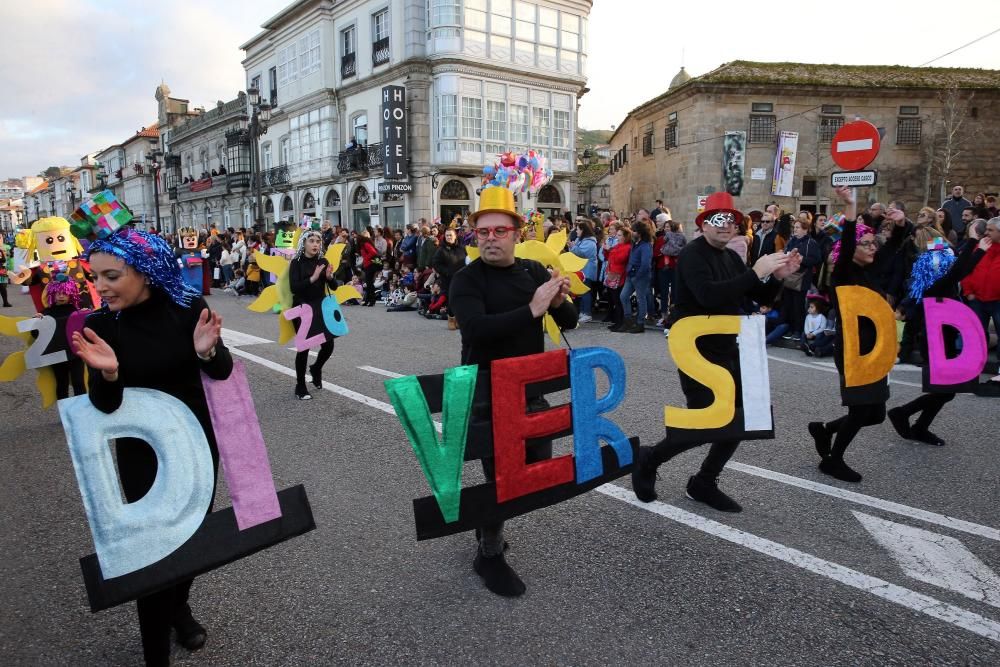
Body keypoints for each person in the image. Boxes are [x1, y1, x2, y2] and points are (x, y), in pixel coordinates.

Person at [71, 227, 232, 667]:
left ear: (144, 271)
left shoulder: (187, 308)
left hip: (196, 445)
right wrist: (107, 374)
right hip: (141, 455)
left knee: (191, 543)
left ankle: (179, 606)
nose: (99, 287)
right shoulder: (99, 324)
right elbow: (105, 406)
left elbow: (222, 371)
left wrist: (204, 352)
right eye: (95, 276)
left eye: (111, 276)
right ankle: (155, 655)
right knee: (154, 555)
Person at [631, 191, 798, 512]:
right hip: (696, 348)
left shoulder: (731, 258)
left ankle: (704, 481)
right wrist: (756, 271)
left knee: (741, 416)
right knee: (707, 420)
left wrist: (777, 277)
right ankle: (650, 458)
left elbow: (756, 295)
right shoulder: (693, 255)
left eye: (731, 221)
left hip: (728, 345)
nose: (725, 226)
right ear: (704, 224)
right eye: (717, 220)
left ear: (738, 227)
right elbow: (708, 296)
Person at [449, 185, 577, 597]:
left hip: (531, 387)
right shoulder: (466, 279)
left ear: (516, 233)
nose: (489, 238)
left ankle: (488, 522)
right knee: (502, 476)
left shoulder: (534, 273)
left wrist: (558, 299)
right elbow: (476, 329)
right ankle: (489, 552)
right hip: (487, 390)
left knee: (535, 468)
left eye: (498, 230)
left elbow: (571, 319)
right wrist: (532, 309)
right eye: (482, 232)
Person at [808, 187, 888, 483]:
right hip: (855, 350)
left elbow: (892, 250)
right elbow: (848, 236)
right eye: (865, 244)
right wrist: (852, 207)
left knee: (876, 414)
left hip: (875, 349)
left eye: (872, 243)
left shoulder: (869, 272)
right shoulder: (843, 275)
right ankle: (833, 460)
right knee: (860, 410)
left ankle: (825, 429)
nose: (872, 248)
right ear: (850, 248)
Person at [888, 234, 991, 446]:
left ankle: (920, 426)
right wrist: (976, 245)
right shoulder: (937, 286)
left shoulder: (941, 284)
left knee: (945, 392)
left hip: (942, 339)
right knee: (945, 391)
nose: (950, 264)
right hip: (936, 343)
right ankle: (902, 413)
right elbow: (960, 271)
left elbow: (958, 268)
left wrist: (972, 246)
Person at [288, 230, 339, 399]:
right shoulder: (296, 263)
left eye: (318, 241)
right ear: (304, 243)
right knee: (304, 348)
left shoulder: (323, 261)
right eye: (311, 240)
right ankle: (300, 386)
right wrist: (314, 277)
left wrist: (330, 277)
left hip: (320, 307)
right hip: (302, 308)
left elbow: (334, 287)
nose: (316, 244)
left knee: (328, 345)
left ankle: (316, 368)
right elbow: (294, 288)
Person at [34, 275, 86, 398]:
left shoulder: (76, 310)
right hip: (57, 355)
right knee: (61, 384)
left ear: (71, 294)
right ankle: (64, 413)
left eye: (64, 293)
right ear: (52, 294)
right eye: (58, 293)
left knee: (78, 383)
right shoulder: (46, 312)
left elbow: (87, 330)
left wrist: (86, 316)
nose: (61, 296)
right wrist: (36, 322)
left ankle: (82, 413)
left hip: (75, 354)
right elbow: (36, 334)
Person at [961, 217, 1000, 358]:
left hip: (997, 301)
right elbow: (966, 270)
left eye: (990, 230)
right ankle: (976, 362)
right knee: (977, 334)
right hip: (977, 299)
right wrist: (968, 291)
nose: (986, 232)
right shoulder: (980, 247)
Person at [617, 220, 653, 334]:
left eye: (634, 231)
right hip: (631, 275)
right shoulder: (635, 243)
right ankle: (628, 320)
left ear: (640, 233)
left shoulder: (646, 246)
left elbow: (645, 264)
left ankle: (640, 323)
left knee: (640, 299)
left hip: (640, 276)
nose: (632, 232)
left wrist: (638, 275)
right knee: (623, 296)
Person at [570, 219, 599, 323]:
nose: (576, 231)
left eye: (577, 229)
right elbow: (575, 252)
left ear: (583, 230)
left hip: (587, 270)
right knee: (582, 292)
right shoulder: (580, 240)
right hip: (581, 269)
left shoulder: (590, 242)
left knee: (586, 291)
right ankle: (582, 312)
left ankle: (587, 313)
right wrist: (572, 247)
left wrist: (573, 247)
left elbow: (582, 254)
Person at [604, 227, 631, 330]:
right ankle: (617, 321)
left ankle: (621, 322)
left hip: (619, 275)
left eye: (619, 235)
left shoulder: (627, 247)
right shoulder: (618, 246)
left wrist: (610, 250)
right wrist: (607, 250)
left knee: (618, 300)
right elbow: (608, 257)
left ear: (625, 237)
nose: (617, 237)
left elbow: (620, 259)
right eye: (617, 235)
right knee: (614, 299)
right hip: (612, 273)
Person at [357, 231, 381, 307]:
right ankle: (368, 300)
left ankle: (371, 300)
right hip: (367, 266)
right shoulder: (363, 245)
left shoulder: (365, 244)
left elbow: (373, 252)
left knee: (370, 284)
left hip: (370, 266)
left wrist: (366, 258)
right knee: (369, 284)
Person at [0, 242, 11, 306]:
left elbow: (4, 260)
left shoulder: (1, 250)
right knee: (3, 287)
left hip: (2, 270)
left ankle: (5, 302)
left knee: (3, 287)